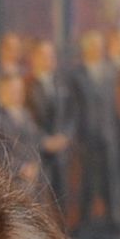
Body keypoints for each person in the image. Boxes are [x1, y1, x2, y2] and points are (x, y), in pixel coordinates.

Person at [71, 30, 120, 239]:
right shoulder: (76, 75)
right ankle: (85, 225)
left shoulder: (112, 72)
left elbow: (118, 106)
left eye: (99, 46)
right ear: (85, 49)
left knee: (111, 181)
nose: (97, 50)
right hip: (87, 137)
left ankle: (114, 224)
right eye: (93, 46)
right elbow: (73, 109)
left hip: (109, 136)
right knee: (88, 182)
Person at [25, 39, 74, 217]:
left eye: (51, 56)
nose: (49, 60)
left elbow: (71, 113)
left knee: (61, 199)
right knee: (41, 201)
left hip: (61, 151)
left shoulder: (61, 82)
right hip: (38, 152)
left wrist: (65, 136)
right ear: (34, 58)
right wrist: (44, 141)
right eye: (44, 56)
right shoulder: (26, 84)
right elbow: (25, 119)